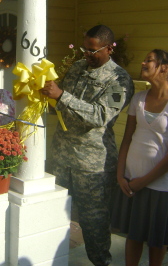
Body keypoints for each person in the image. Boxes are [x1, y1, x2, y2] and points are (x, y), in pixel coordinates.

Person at [41, 24, 135, 266]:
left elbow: (100, 116)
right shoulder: (76, 68)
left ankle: (101, 262)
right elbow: (61, 105)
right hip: (61, 156)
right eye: (85, 48)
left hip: (91, 164)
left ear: (109, 48)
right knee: (52, 212)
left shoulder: (119, 80)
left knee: (93, 221)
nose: (87, 54)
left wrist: (61, 96)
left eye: (93, 50)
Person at [111, 49, 168, 266]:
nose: (143, 63)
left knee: (157, 240)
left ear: (164, 68)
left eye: (149, 60)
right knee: (133, 235)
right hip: (131, 180)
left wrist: (142, 182)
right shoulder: (138, 98)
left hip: (159, 186)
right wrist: (121, 176)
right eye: (144, 59)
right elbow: (127, 139)